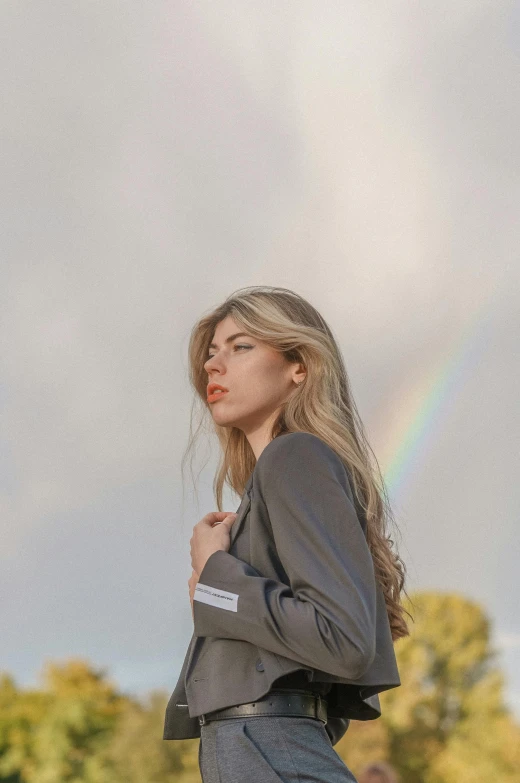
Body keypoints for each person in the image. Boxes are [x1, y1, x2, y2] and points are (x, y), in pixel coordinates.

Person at [163, 286, 412, 783]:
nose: (214, 366)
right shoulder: (272, 483)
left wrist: (215, 578)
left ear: (299, 365)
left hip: (267, 749)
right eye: (212, 353)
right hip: (260, 751)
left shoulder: (295, 456)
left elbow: (342, 640)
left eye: (240, 347)